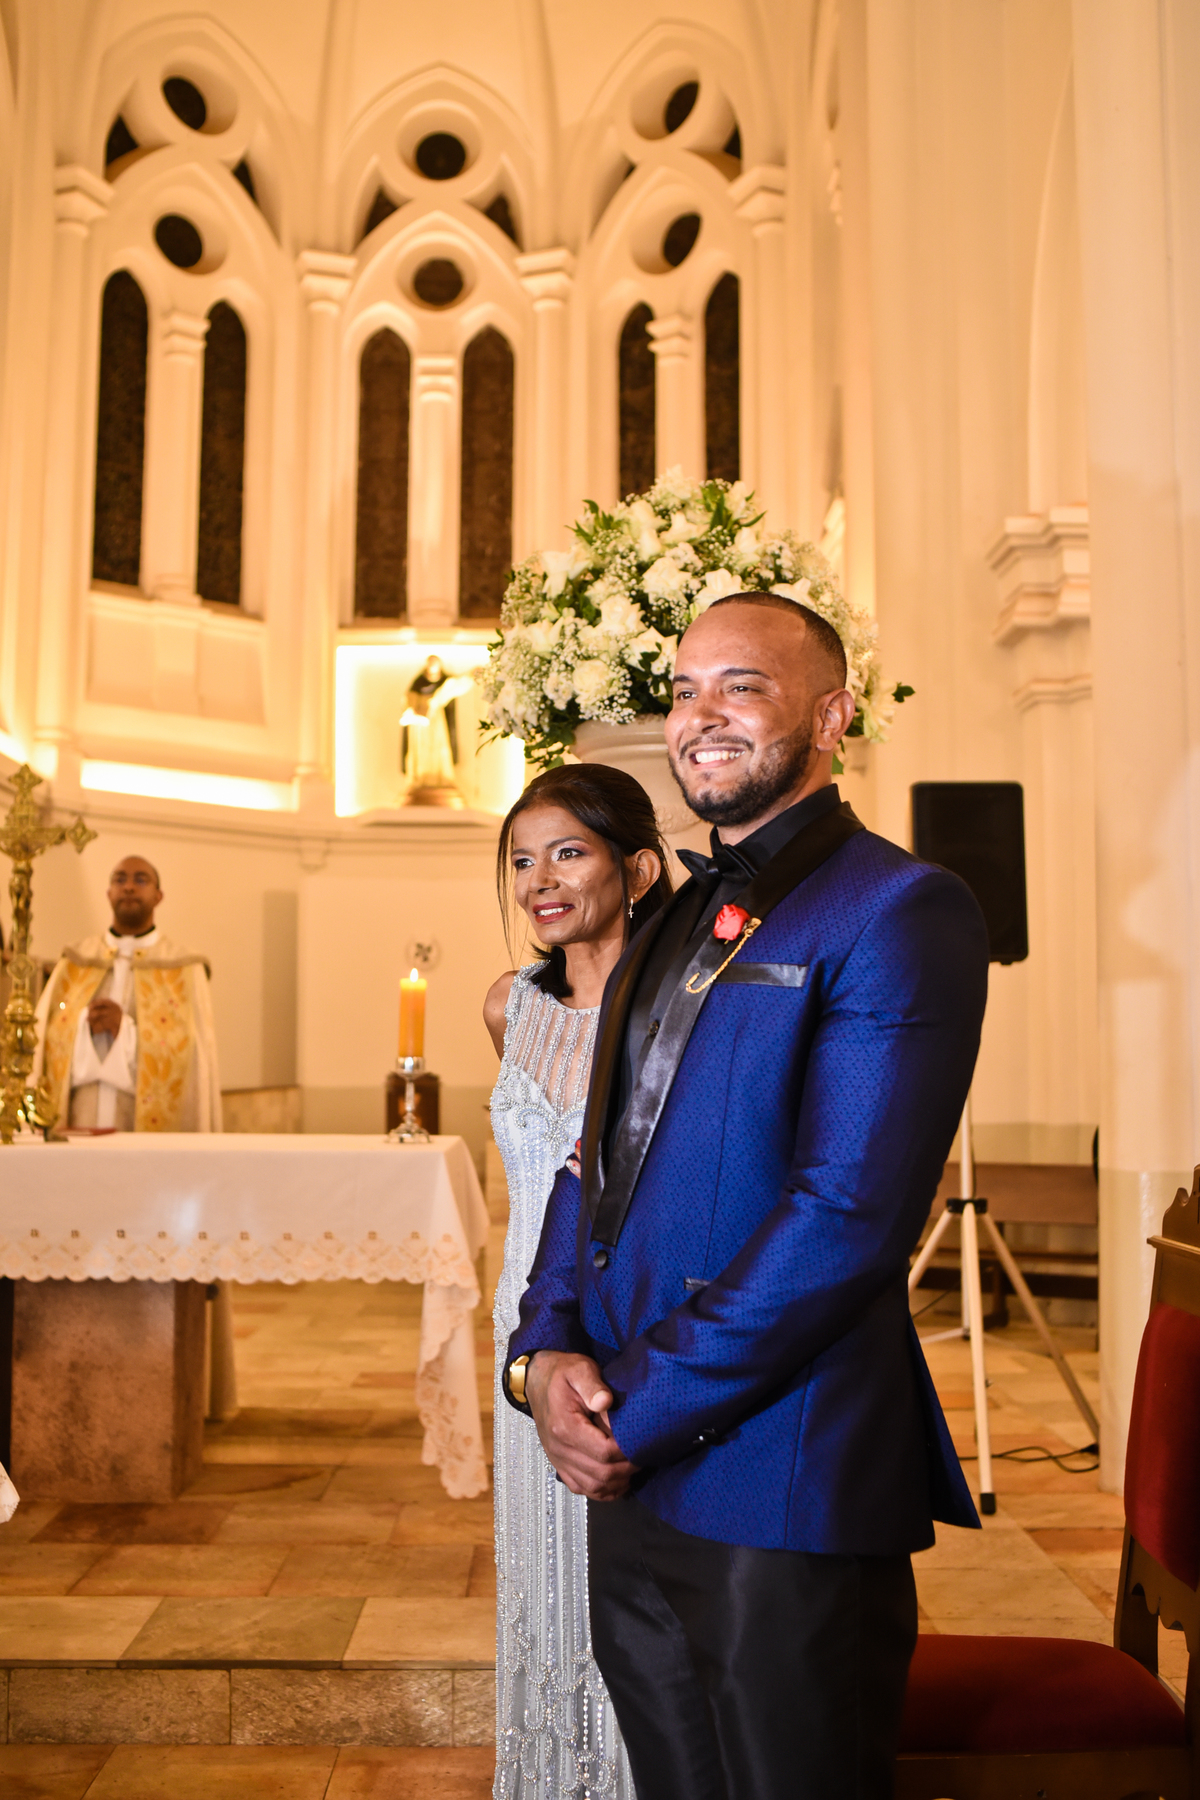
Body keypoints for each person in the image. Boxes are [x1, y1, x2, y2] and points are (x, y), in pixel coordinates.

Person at [503, 594, 990, 1800]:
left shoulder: (899, 909)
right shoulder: (666, 919)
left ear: (830, 716)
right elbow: (589, 1161)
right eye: (683, 690)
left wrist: (636, 1409)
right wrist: (543, 1353)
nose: (701, 717)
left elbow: (848, 1218)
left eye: (742, 687)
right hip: (632, 1475)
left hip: (785, 1478)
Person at [485, 763, 671, 1800]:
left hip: (625, 1335)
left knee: (626, 1583)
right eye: (522, 858)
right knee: (541, 1582)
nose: (539, 880)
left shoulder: (684, 1014)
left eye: (569, 852)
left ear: (637, 866)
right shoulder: (507, 1008)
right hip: (524, 1335)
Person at [34, 854, 221, 1132]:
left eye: (140, 880)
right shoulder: (74, 961)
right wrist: (83, 1024)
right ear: (109, 893)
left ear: (158, 896)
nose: (129, 887)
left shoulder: (184, 967)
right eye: (120, 880)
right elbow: (43, 1043)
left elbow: (193, 1057)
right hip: (80, 1116)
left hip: (141, 1126)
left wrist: (125, 1030)